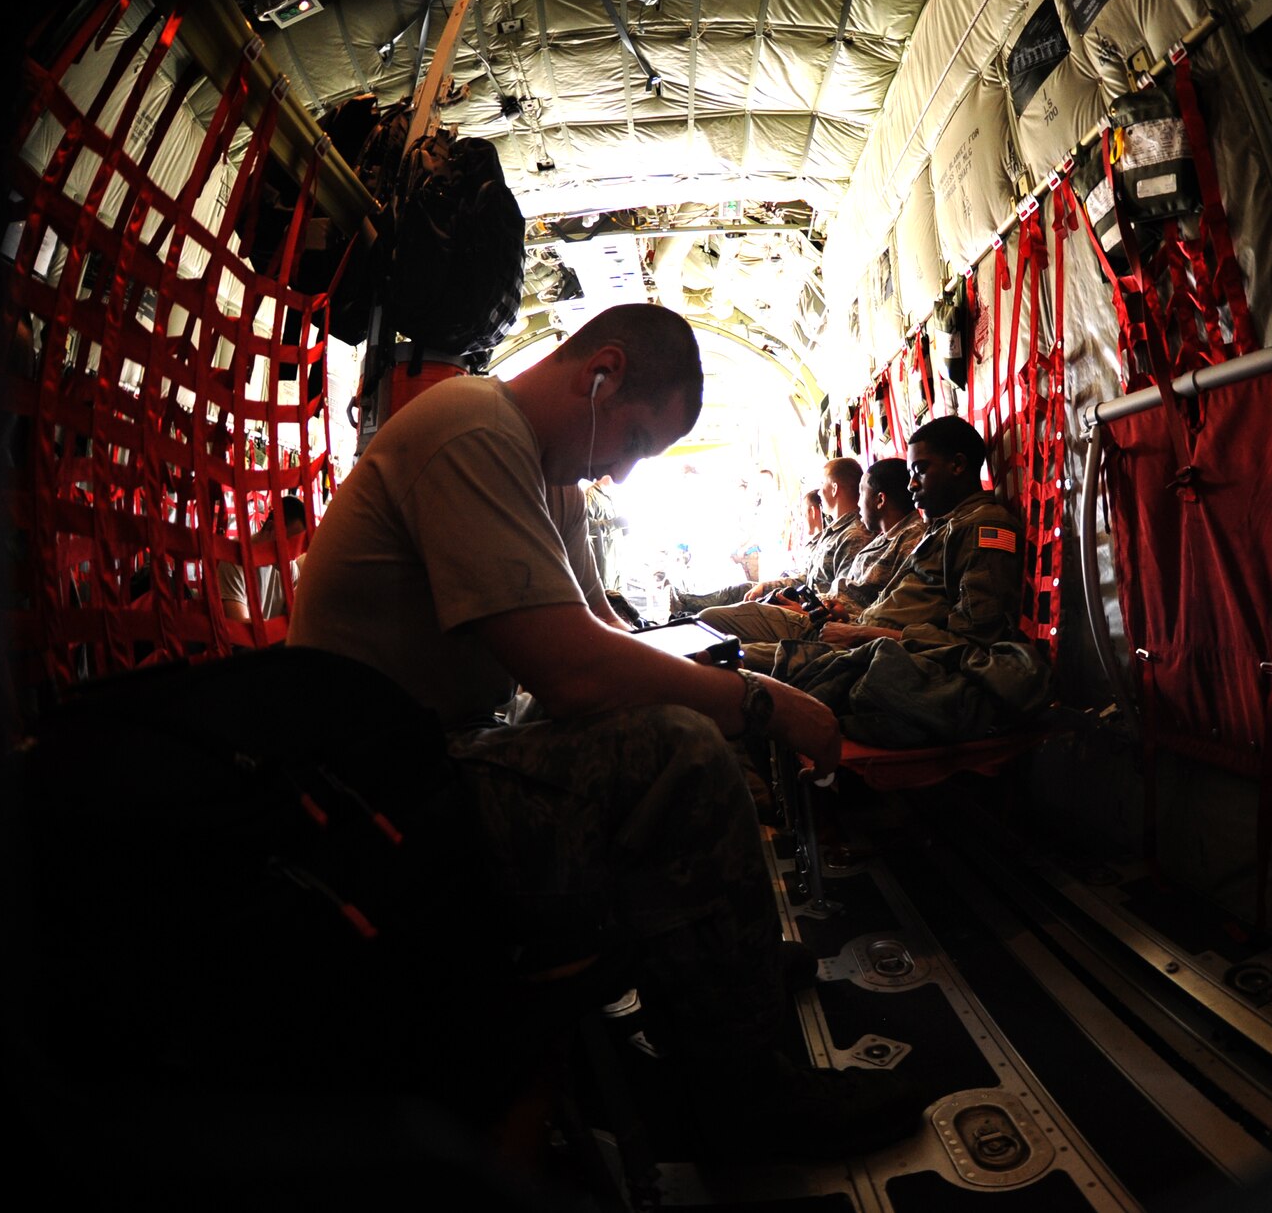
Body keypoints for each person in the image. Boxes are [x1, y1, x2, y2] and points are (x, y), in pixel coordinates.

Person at [287, 302, 919, 1157]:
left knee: (683, 712)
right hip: (380, 804)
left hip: (445, 766)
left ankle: (718, 981)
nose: (622, 474)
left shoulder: (548, 476)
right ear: (603, 373)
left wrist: (731, 679)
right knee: (682, 749)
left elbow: (604, 637)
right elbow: (571, 671)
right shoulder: (468, 428)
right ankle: (743, 1098)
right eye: (634, 442)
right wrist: (761, 701)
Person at [769, 416, 1049, 746]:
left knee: (771, 686)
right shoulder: (945, 526)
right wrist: (853, 621)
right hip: (863, 639)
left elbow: (971, 645)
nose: (911, 484)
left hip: (896, 654)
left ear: (958, 465)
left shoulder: (984, 529)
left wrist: (862, 632)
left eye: (919, 471)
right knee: (764, 672)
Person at [696, 458, 927, 646]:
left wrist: (810, 612)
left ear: (880, 500)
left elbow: (878, 613)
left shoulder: (906, 539)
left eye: (862, 493)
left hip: (834, 626)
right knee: (729, 634)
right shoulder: (886, 539)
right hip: (827, 617)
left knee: (716, 626)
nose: (858, 504)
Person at [742, 458, 871, 602]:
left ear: (834, 489)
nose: (820, 493)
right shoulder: (832, 533)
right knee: (743, 590)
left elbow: (841, 600)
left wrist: (794, 603)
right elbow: (807, 579)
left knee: (719, 615)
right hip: (805, 606)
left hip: (814, 616)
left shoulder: (855, 536)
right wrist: (765, 587)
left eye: (822, 484)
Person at [218, 494, 307, 623]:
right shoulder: (233, 558)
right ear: (271, 528)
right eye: (290, 544)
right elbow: (239, 625)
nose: (293, 556)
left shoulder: (289, 566)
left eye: (298, 547)